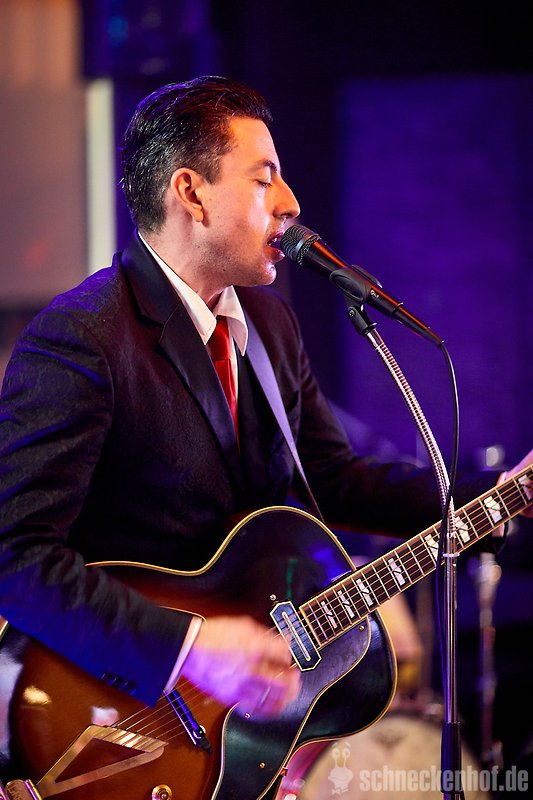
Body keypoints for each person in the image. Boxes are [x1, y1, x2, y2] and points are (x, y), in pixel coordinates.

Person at [0, 75, 531, 764]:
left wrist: (500, 495)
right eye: (263, 178)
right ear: (191, 193)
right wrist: (191, 648)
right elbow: (14, 555)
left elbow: (334, 478)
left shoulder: (269, 323)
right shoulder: (83, 336)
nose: (290, 202)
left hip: (234, 730)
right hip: (110, 721)